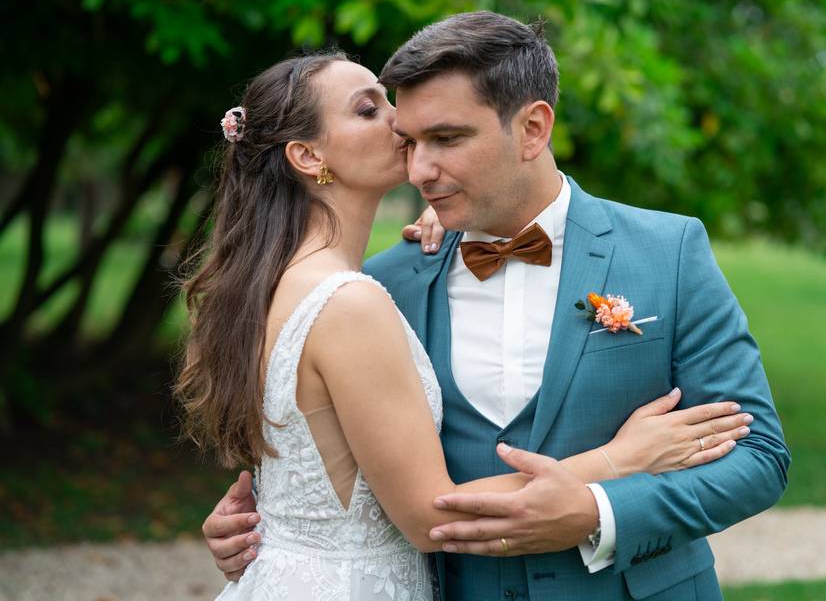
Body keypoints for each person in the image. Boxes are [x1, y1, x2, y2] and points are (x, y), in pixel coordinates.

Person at [176, 49, 751, 601]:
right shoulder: (365, 294)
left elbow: (318, 457)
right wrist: (620, 460)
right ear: (307, 156)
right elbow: (425, 513)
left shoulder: (283, 284)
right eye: (369, 109)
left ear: (532, 130)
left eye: (441, 135)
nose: (399, 123)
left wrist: (274, 524)